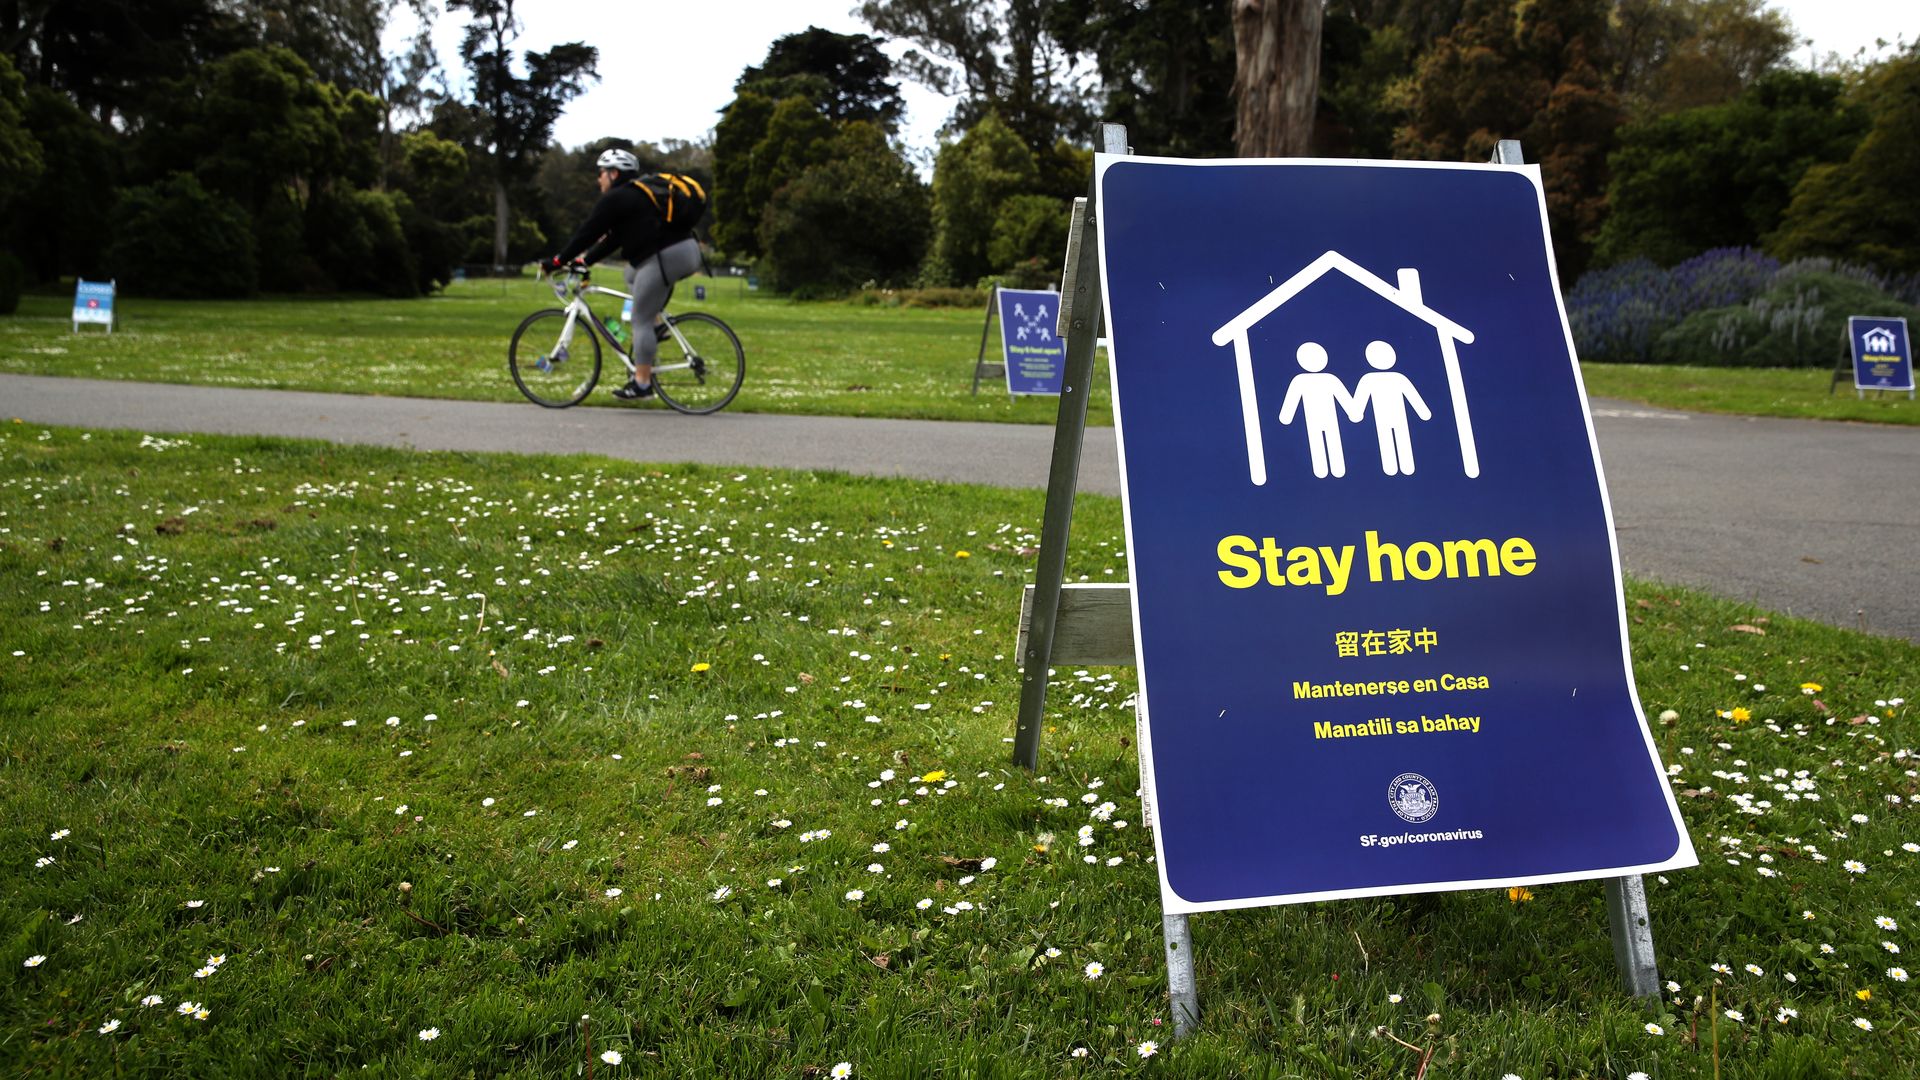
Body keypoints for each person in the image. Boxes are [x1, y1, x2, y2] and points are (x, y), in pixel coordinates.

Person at [543, 148, 703, 401]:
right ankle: (657, 328)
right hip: (683, 251)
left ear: (614, 174)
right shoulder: (635, 197)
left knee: (639, 319)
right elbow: (612, 239)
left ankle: (642, 385)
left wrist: (556, 261)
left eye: (601, 174)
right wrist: (586, 260)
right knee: (630, 275)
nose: (599, 179)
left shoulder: (617, 198)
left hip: (667, 256)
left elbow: (588, 232)